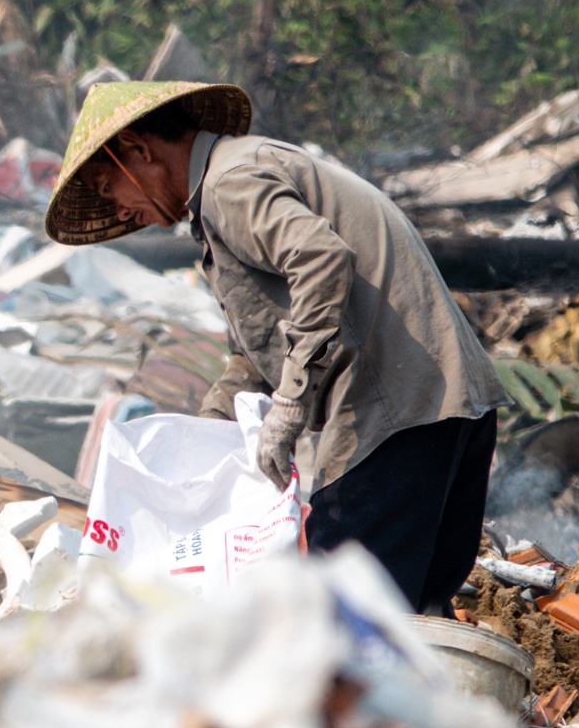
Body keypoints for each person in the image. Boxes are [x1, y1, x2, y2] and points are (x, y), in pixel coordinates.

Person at [44, 80, 509, 616]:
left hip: (392, 413)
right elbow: (256, 353)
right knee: (415, 612)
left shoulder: (228, 185)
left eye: (108, 190)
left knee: (345, 619)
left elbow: (319, 259)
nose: (121, 213)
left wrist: (291, 403)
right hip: (444, 404)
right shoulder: (236, 178)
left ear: (138, 151)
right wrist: (202, 437)